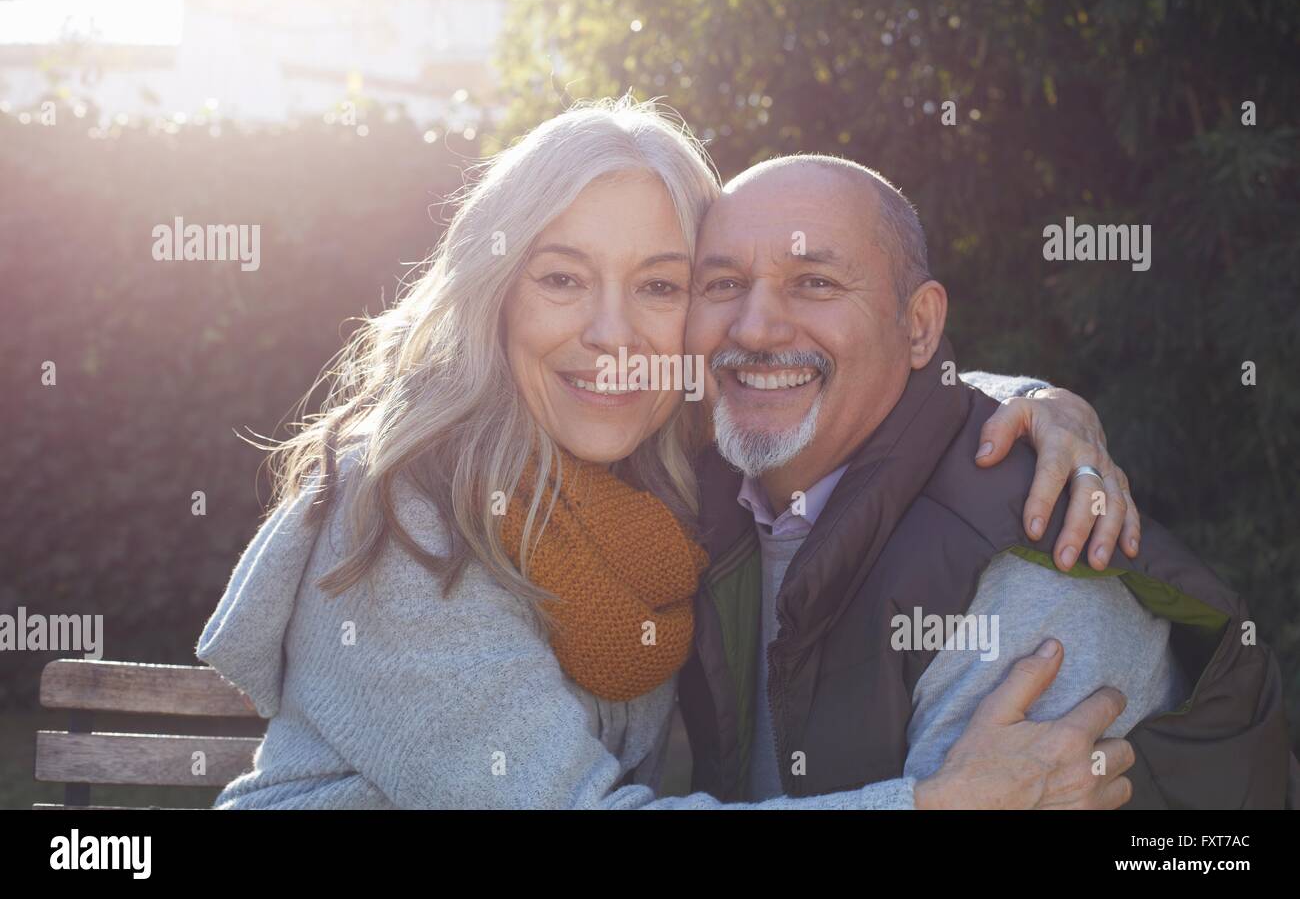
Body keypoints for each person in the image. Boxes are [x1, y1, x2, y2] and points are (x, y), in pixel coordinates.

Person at [197, 98, 1142, 808]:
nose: (614, 335)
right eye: (562, 277)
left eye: (660, 285)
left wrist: (1040, 409)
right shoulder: (411, 514)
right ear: (496, 294)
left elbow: (859, 382)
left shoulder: (668, 473)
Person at [679, 154, 1296, 807]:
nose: (753, 328)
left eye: (815, 283)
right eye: (722, 285)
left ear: (918, 326)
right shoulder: (691, 479)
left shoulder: (1025, 580)